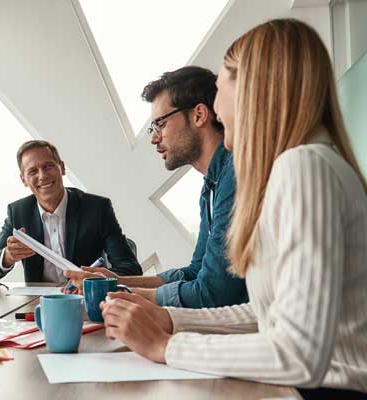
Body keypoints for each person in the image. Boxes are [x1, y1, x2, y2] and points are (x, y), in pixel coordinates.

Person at [100, 19, 367, 398]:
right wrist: (170, 319)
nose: (217, 109)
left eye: (222, 88)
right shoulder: (302, 165)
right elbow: (267, 315)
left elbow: (299, 352)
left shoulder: (304, 167)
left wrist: (165, 347)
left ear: (256, 90)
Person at [65, 66, 247, 309]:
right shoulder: (211, 187)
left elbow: (213, 293)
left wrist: (121, 291)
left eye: (160, 124)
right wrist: (118, 280)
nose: (154, 138)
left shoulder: (234, 174)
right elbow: (195, 271)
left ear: (199, 115)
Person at [0, 140, 142, 283]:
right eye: (33, 171)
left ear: (62, 168)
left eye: (48, 166)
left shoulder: (97, 208)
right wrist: (7, 256)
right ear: (24, 180)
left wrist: (97, 278)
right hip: (40, 305)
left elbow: (131, 269)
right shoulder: (18, 212)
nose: (42, 176)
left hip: (86, 300)